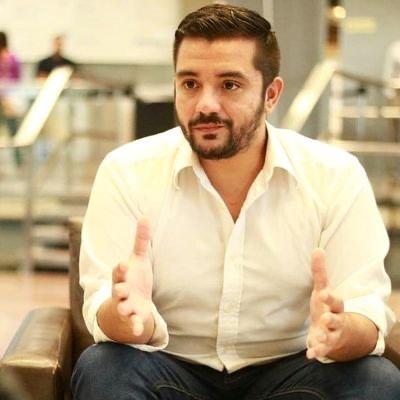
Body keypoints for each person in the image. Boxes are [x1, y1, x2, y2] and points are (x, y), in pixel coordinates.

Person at [71, 4, 400, 399]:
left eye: (229, 85)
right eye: (190, 84)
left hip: (293, 371)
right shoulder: (126, 171)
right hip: (169, 365)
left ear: (271, 94)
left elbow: (366, 307)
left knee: (375, 379)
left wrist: (341, 332)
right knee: (104, 368)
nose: (205, 105)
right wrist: (127, 319)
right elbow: (102, 306)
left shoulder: (335, 175)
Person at [0, 31, 22, 164]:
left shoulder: (11, 58)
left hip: (9, 100)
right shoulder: (11, 57)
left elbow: (16, 79)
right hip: (4, 99)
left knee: (13, 129)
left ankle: (18, 160)